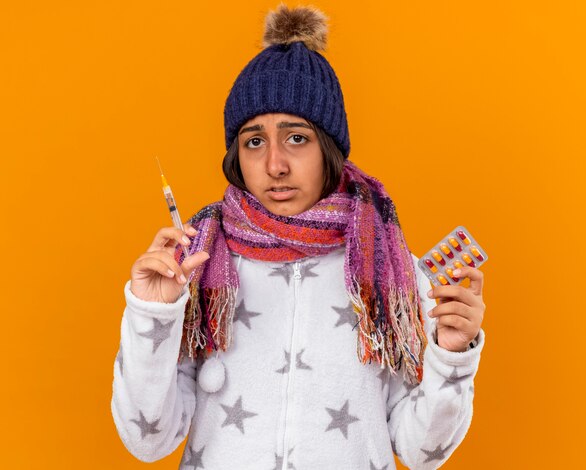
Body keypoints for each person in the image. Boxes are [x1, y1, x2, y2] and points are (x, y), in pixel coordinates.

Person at [111, 5, 486, 469]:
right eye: (253, 141)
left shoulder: (388, 268)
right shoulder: (196, 262)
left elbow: (419, 451)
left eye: (296, 138)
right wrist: (153, 313)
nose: (274, 165)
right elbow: (148, 442)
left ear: (329, 147)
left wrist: (452, 358)